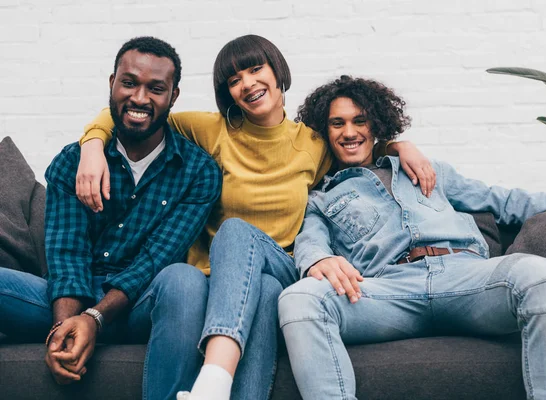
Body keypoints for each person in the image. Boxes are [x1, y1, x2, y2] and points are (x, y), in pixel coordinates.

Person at [75, 35, 435, 400]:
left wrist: (398, 145)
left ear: (278, 71)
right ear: (228, 93)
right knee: (262, 291)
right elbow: (138, 108)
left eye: (255, 69)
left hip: (280, 264)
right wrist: (91, 146)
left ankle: (212, 382)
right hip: (213, 282)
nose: (247, 83)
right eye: (234, 80)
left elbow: (356, 146)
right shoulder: (211, 130)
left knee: (240, 239)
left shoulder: (312, 143)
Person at [278, 75, 546, 400]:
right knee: (300, 299)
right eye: (337, 123)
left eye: (359, 120)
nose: (349, 132)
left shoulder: (426, 169)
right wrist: (319, 258)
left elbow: (504, 201)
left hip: (467, 279)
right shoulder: (322, 196)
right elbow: (310, 241)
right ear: (325, 131)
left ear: (375, 124)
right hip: (386, 291)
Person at [0, 36, 221, 400]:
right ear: (112, 83)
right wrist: (66, 329)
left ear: (174, 97)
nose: (139, 98)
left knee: (184, 280)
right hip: (70, 297)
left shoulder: (198, 172)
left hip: (140, 307)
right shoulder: (74, 161)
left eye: (156, 88)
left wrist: (95, 319)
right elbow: (66, 254)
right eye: (129, 83)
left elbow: (156, 259)